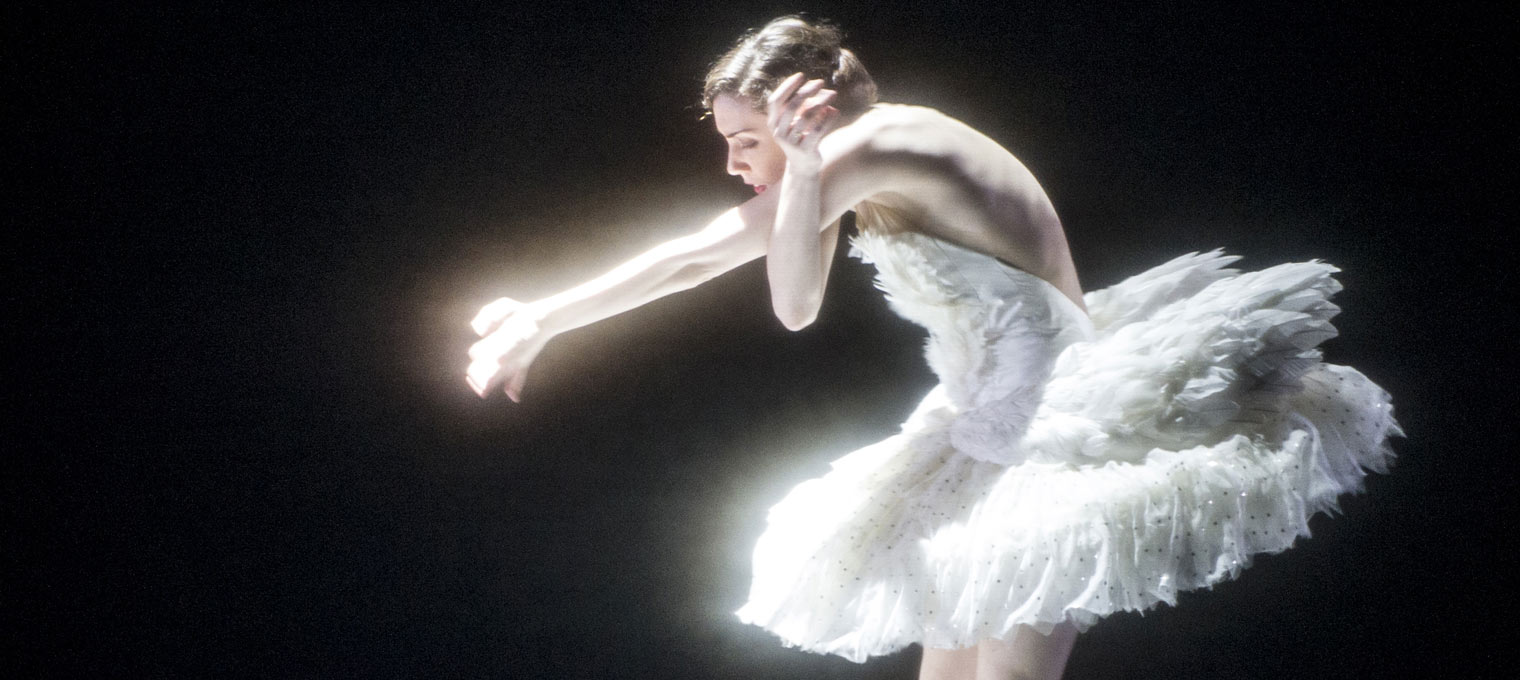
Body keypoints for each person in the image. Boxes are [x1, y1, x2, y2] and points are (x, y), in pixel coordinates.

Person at [466, 16, 1401, 680]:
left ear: (807, 111)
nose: (732, 162)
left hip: (1055, 423)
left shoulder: (883, 147)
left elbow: (791, 305)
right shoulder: (849, 158)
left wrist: (795, 171)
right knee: (950, 655)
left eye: (746, 137)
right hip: (984, 421)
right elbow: (701, 255)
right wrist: (543, 315)